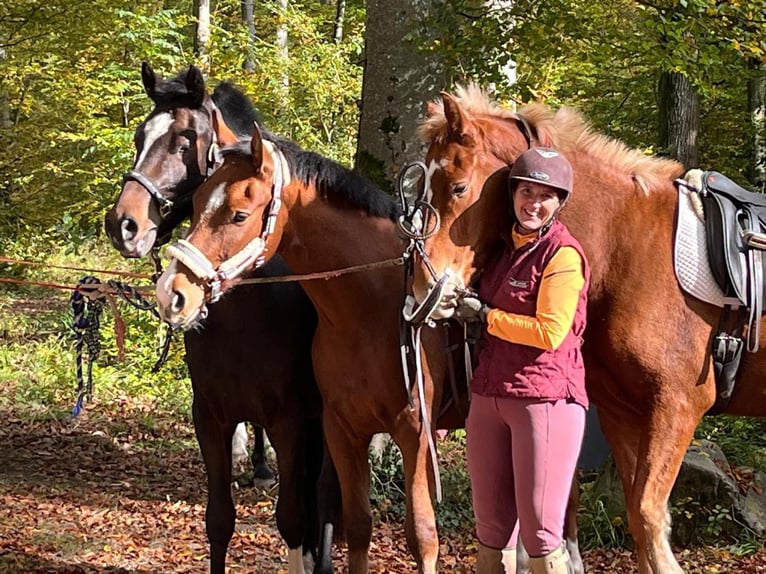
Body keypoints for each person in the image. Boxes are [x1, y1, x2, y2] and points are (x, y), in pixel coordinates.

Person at [454, 147, 590, 574]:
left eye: (545, 195)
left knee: (542, 533)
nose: (534, 202)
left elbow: (550, 332)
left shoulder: (563, 256)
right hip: (489, 394)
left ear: (559, 203)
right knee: (490, 530)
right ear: (513, 194)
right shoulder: (501, 250)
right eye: (526, 191)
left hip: (544, 399)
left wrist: (487, 317)